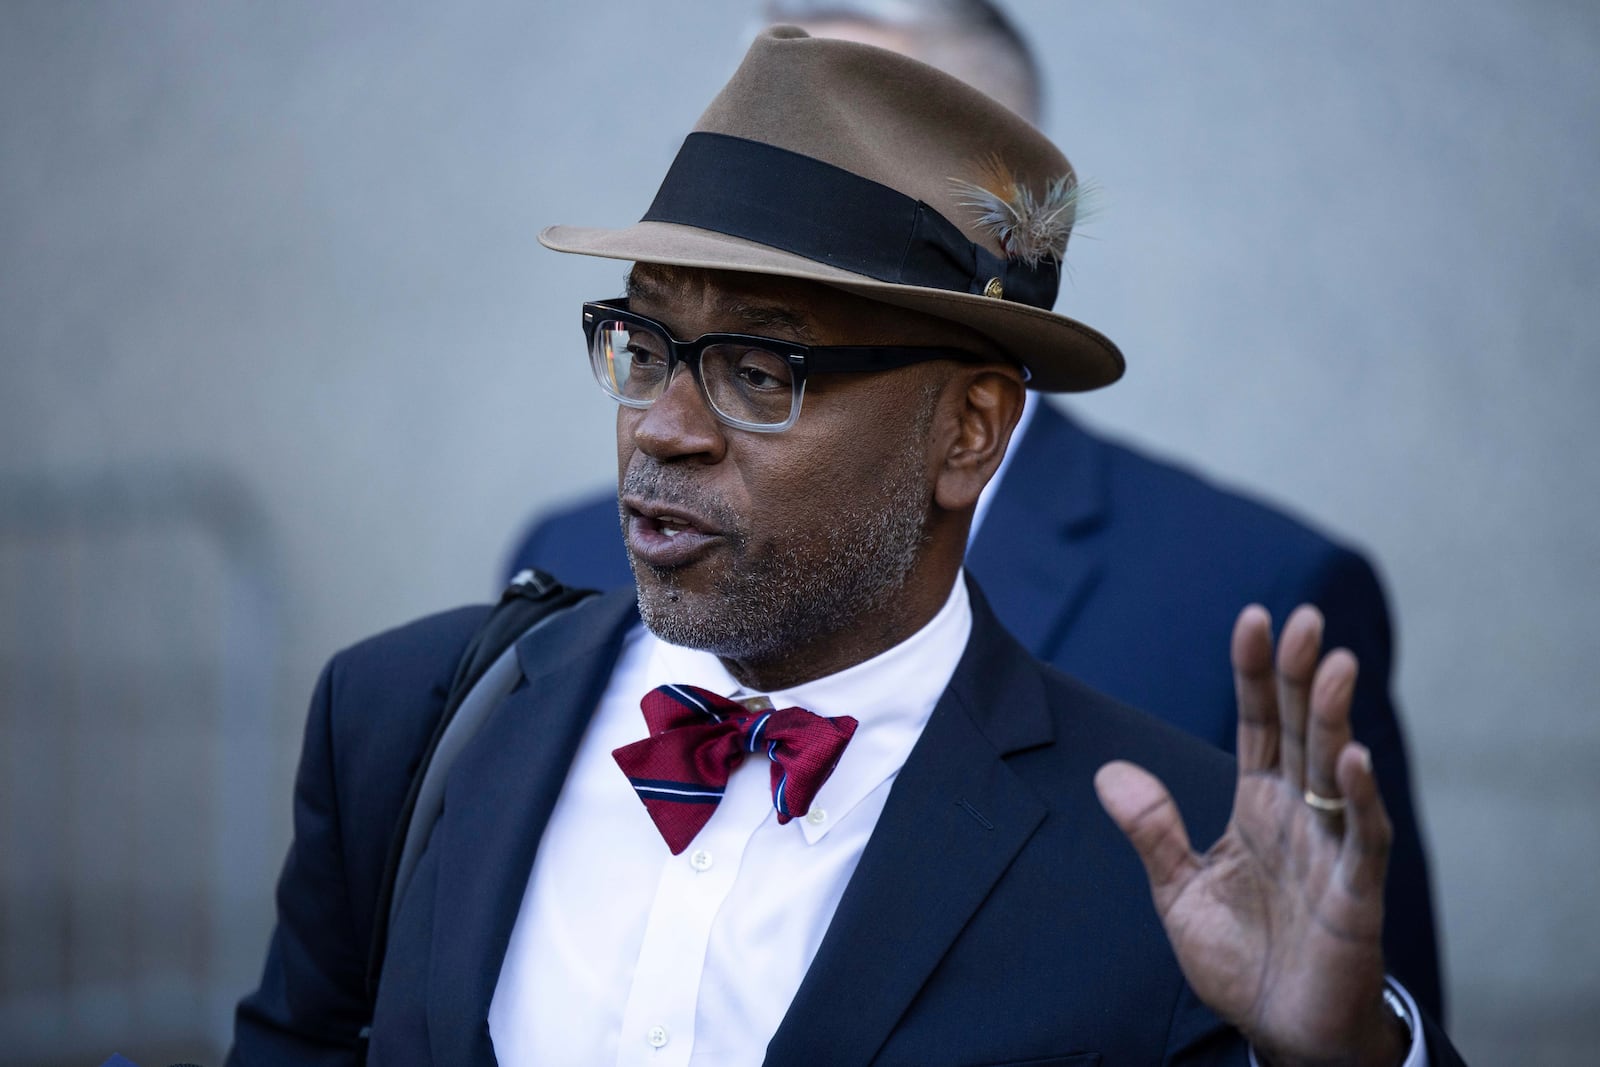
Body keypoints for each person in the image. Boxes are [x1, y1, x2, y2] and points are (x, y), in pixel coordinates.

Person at [231, 27, 1465, 1067]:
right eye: (643, 345)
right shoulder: (402, 718)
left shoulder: (1175, 851)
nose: (662, 426)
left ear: (967, 433)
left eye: (761, 369)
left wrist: (1350, 1050)